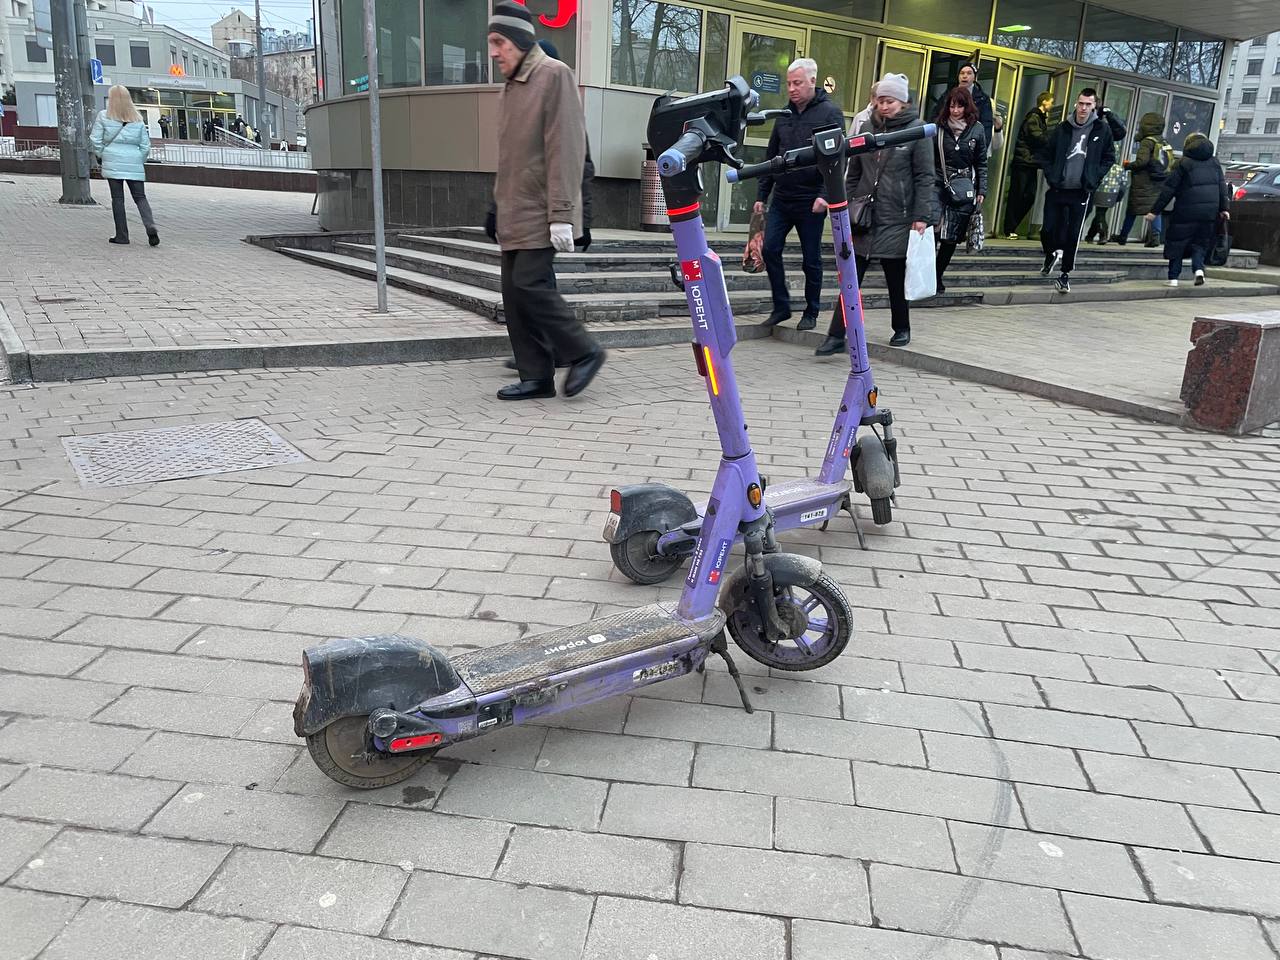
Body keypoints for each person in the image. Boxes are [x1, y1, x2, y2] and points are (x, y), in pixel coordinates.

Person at [486, 0, 603, 401]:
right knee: (515, 296)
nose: (494, 51)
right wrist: (495, 206)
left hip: (541, 210)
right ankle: (535, 376)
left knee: (531, 285)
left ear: (519, 40)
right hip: (514, 211)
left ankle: (584, 351)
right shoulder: (511, 86)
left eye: (499, 41)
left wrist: (563, 217)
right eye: (492, 42)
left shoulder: (554, 75)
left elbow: (567, 150)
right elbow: (511, 158)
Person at [814, 72, 934, 354]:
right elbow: (853, 172)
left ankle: (901, 327)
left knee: (894, 276)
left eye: (889, 100)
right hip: (864, 214)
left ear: (902, 103)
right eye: (880, 100)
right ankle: (836, 334)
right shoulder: (866, 128)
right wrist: (847, 203)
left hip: (897, 216)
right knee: (851, 276)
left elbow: (925, 177)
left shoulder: (917, 131)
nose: (884, 105)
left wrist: (921, 215)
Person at [755, 57, 845, 330]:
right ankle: (781, 307)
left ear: (812, 82)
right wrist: (762, 195)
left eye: (797, 83)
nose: (792, 89)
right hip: (783, 197)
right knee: (770, 249)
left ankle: (811, 311)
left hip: (811, 200)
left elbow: (837, 159)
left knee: (811, 259)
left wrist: (825, 195)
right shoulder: (784, 115)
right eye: (789, 83)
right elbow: (772, 156)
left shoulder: (830, 114)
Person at [1036, 87, 1115, 294]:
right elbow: (1046, 154)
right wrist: (1052, 174)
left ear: (1094, 106)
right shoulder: (1063, 128)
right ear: (1076, 104)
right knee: (1048, 229)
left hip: (1081, 190)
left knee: (1073, 233)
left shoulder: (1101, 130)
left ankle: (1064, 275)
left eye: (1088, 104)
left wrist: (1095, 176)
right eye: (1081, 103)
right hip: (1058, 187)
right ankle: (1051, 253)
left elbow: (1109, 157)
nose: (1083, 108)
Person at [1147, 133, 1229, 288]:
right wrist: (1224, 208)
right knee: (1200, 244)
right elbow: (1222, 187)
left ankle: (1173, 278)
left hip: (1185, 210)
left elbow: (1169, 189)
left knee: (1178, 242)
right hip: (1209, 212)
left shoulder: (1183, 163)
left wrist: (1155, 211)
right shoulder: (1214, 162)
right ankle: (1198, 271)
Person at [932, 86, 987, 294]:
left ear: (967, 107)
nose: (955, 111)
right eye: (952, 106)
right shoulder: (938, 127)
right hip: (938, 183)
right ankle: (927, 276)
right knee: (932, 234)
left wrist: (982, 189)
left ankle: (937, 276)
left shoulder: (977, 129)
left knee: (951, 237)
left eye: (960, 106)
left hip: (963, 186)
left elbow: (981, 162)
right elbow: (929, 159)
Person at [89, 85, 159, 247]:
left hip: (112, 160)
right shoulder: (137, 119)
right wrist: (138, 159)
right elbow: (145, 145)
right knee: (140, 198)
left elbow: (95, 140)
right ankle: (151, 227)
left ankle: (122, 235)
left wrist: (101, 154)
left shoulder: (104, 116)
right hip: (134, 161)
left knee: (118, 199)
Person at [1114, 112, 1173, 247]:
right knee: (1154, 209)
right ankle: (1155, 236)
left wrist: (1128, 165)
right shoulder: (1162, 141)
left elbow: (1142, 161)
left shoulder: (1147, 142)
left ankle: (1123, 236)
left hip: (1143, 181)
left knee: (1132, 210)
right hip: (1158, 181)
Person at [1003, 91, 1053, 239]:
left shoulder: (1039, 118)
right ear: (1044, 102)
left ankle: (1012, 226)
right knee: (1017, 195)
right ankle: (1009, 228)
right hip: (1023, 162)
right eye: (1051, 102)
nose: (1052, 105)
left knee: (1028, 196)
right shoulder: (1034, 117)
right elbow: (1038, 138)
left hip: (1031, 163)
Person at [956, 62, 1000, 148]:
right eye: (962, 73)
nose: (964, 76)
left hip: (971, 147)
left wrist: (981, 150)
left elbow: (985, 126)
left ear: (974, 78)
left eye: (969, 73)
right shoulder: (948, 95)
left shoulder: (983, 99)